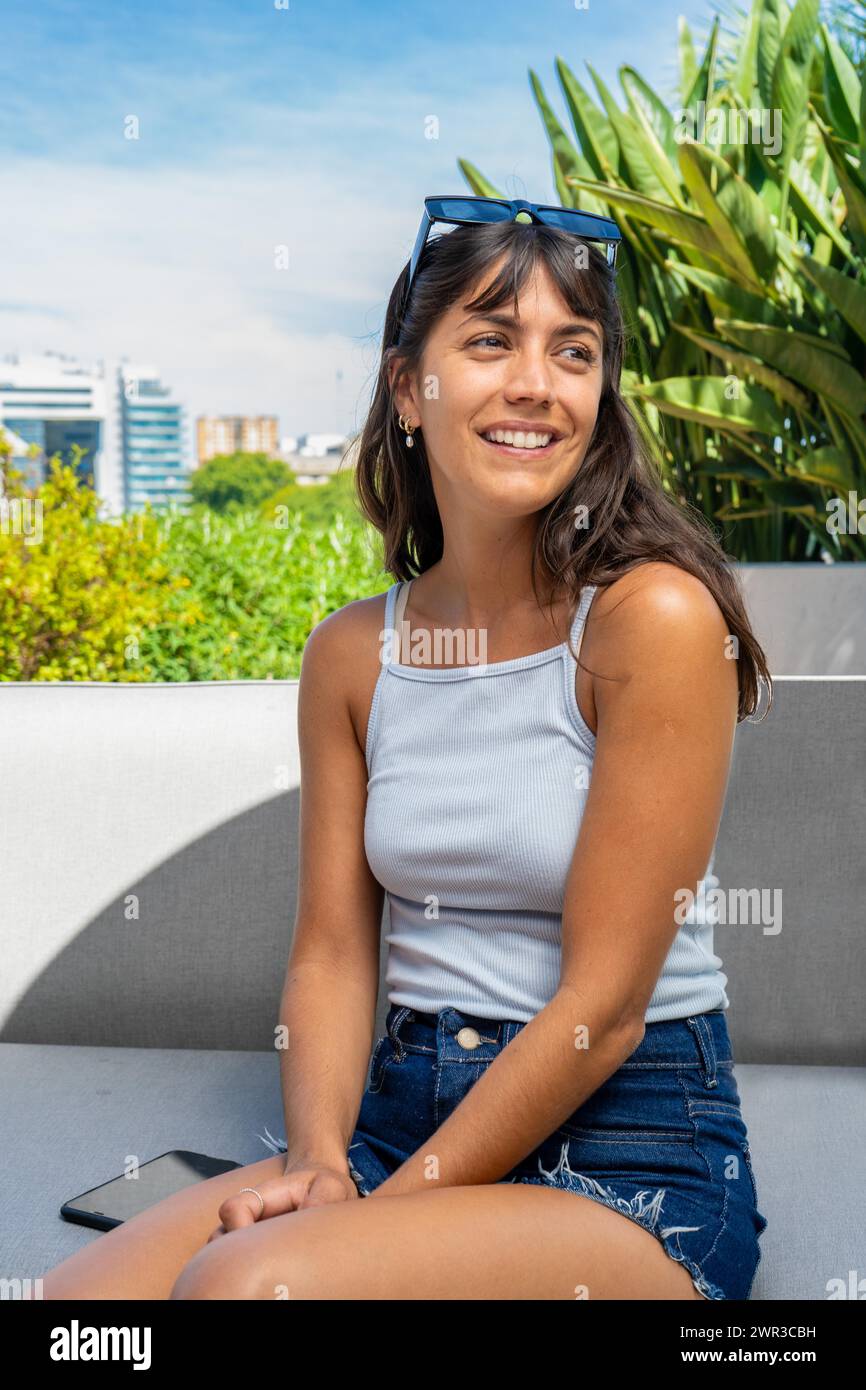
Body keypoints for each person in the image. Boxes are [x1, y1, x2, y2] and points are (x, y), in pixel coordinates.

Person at [43, 196, 771, 1301]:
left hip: (628, 1155)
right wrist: (323, 1168)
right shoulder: (350, 654)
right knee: (76, 1315)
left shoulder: (649, 621)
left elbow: (604, 1007)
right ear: (405, 390)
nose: (535, 382)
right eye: (489, 340)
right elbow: (333, 953)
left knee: (247, 1290)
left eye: (572, 352)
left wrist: (368, 1223)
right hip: (397, 1120)